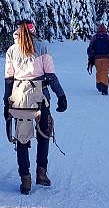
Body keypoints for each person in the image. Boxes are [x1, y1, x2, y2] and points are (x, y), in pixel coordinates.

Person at [4, 20, 67, 195]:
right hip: (40, 96)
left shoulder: (11, 50)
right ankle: (41, 173)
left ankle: (25, 179)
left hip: (19, 98)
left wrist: (5, 103)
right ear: (34, 31)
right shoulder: (42, 47)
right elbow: (51, 76)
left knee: (22, 139)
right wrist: (61, 95)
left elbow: (8, 80)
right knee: (44, 133)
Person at [87, 24, 109, 95]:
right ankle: (104, 88)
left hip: (97, 59)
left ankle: (99, 85)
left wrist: (90, 58)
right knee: (105, 72)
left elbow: (90, 48)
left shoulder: (95, 37)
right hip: (107, 58)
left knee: (99, 71)